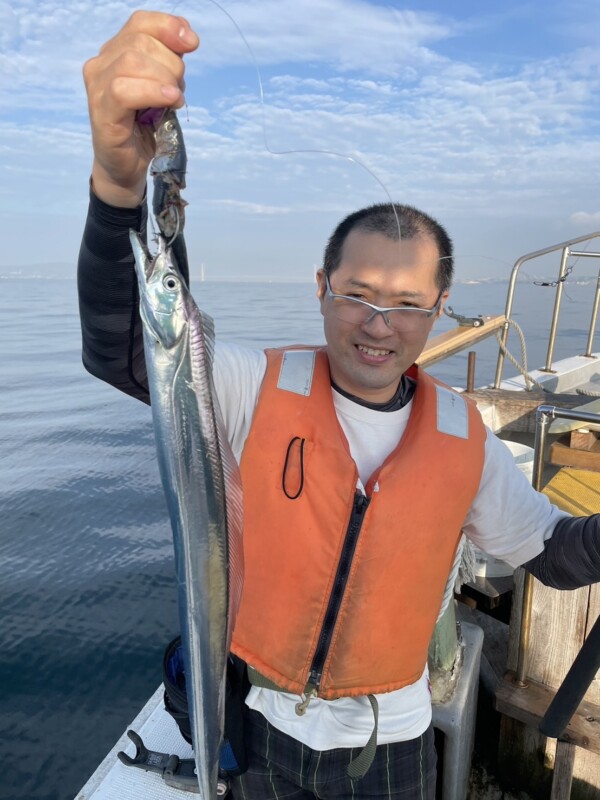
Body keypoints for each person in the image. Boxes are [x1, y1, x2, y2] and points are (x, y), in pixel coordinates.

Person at [79, 12, 600, 799]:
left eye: (407, 303)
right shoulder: (250, 382)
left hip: (387, 739)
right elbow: (127, 350)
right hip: (251, 716)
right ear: (321, 289)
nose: (379, 324)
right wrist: (121, 186)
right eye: (356, 293)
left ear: (440, 308)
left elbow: (553, 554)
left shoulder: (468, 439)